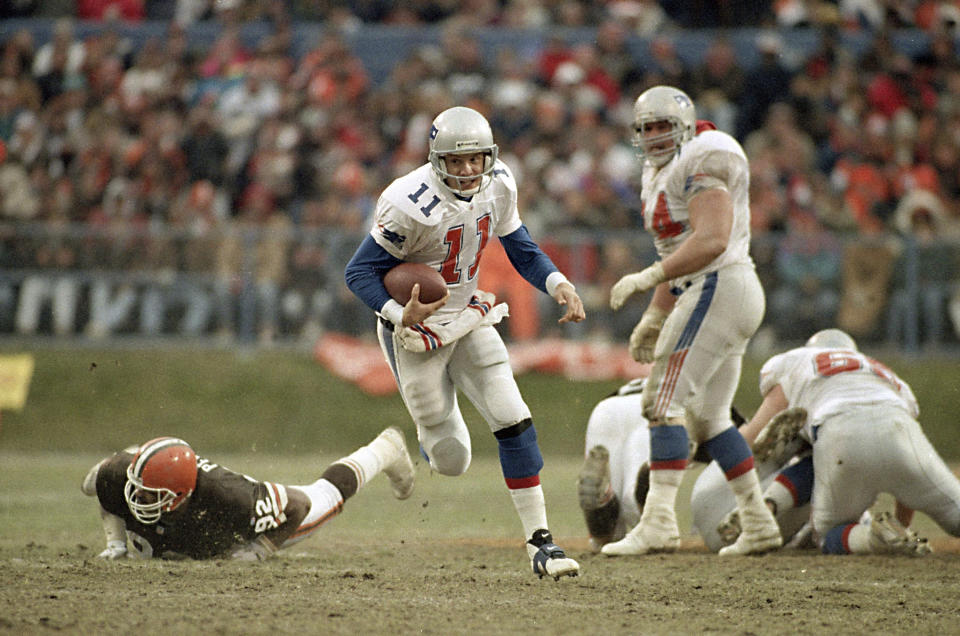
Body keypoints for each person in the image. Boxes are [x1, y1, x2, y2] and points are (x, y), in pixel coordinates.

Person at [344, 106, 585, 580]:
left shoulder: (499, 182)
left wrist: (557, 282)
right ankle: (401, 450)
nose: (469, 169)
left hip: (470, 315)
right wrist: (399, 313)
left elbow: (520, 245)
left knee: (513, 417)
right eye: (457, 161)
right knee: (453, 459)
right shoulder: (407, 202)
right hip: (414, 332)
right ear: (437, 161)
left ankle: (541, 542)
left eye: (476, 158)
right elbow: (358, 272)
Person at [603, 85, 781, 557]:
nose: (657, 136)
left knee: (661, 403)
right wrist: (657, 312)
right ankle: (759, 522)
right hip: (718, 289)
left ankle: (658, 520)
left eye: (665, 126)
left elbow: (712, 239)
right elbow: (678, 249)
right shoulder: (658, 172)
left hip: (718, 285)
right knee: (710, 418)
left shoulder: (704, 157)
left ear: (685, 127)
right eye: (649, 128)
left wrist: (648, 278)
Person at [727, 328, 953, 556]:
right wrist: (902, 526)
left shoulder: (796, 360)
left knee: (829, 535)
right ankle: (893, 532)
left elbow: (752, 439)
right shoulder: (884, 372)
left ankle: (872, 538)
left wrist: (720, 440)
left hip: (840, 431)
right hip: (900, 426)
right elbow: (908, 480)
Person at [81, 427, 415, 560]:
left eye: (151, 495)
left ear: (180, 495)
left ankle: (384, 449)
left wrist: (260, 550)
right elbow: (105, 491)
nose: (138, 501)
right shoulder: (115, 475)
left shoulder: (232, 498)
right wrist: (116, 543)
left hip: (240, 520)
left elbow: (297, 506)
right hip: (186, 500)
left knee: (322, 497)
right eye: (138, 492)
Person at [577, 378, 808, 553]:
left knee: (608, 537)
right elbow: (747, 446)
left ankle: (602, 506)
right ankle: (646, 486)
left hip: (607, 409)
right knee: (635, 508)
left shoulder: (669, 369)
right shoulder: (707, 392)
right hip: (661, 411)